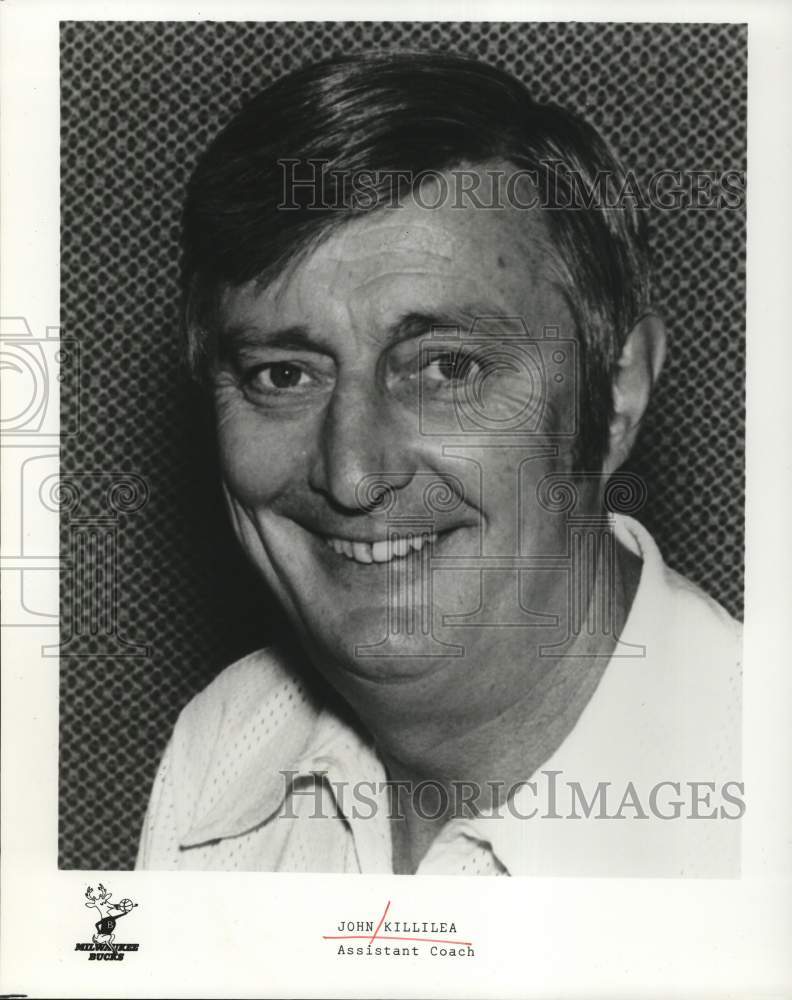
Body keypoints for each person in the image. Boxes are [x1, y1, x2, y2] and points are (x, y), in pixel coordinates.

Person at [136, 52, 742, 877]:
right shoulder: (231, 749)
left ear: (617, 390)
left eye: (447, 368)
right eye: (284, 375)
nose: (352, 474)